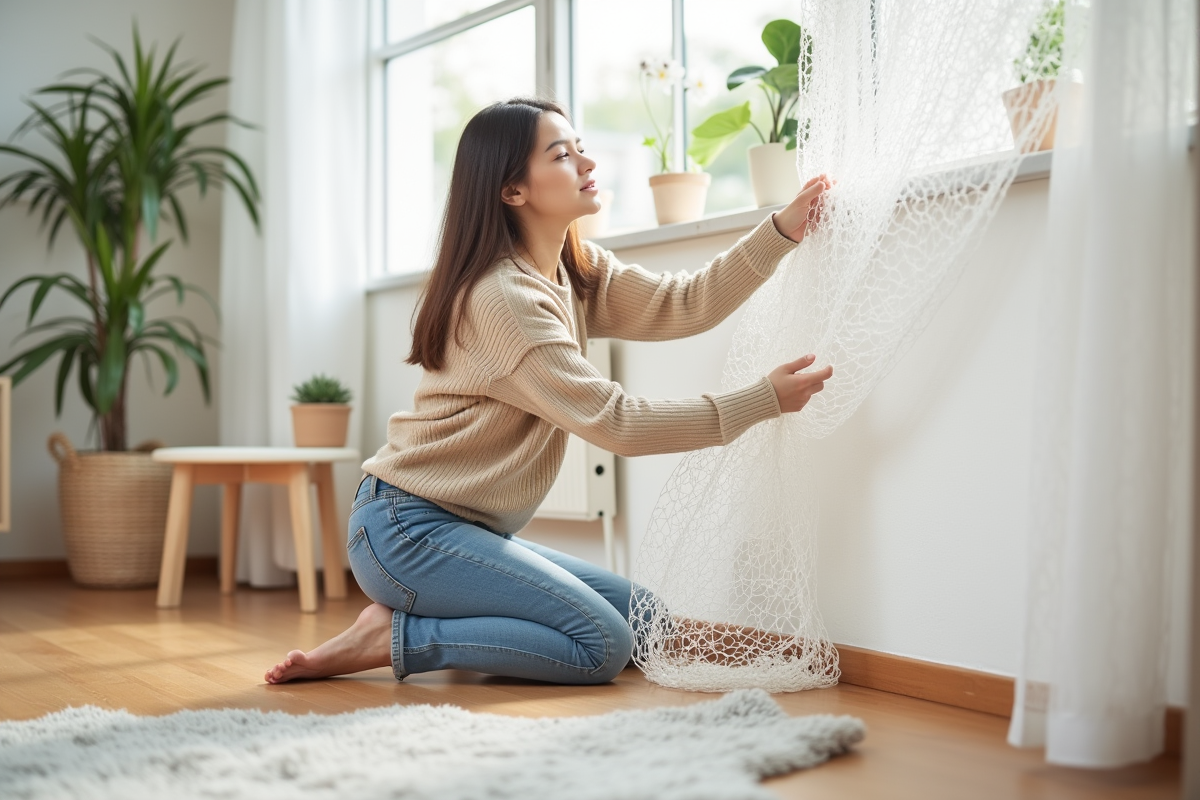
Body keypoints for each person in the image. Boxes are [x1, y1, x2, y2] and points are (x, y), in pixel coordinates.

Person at [264, 97, 832, 686]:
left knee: (650, 623)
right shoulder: (503, 299)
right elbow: (616, 424)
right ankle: (398, 637)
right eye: (562, 154)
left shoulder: (572, 270)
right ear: (513, 190)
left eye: (581, 147)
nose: (586, 162)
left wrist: (781, 230)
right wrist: (761, 401)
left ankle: (429, 611)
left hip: (470, 532)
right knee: (600, 646)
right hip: (406, 530)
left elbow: (684, 303)